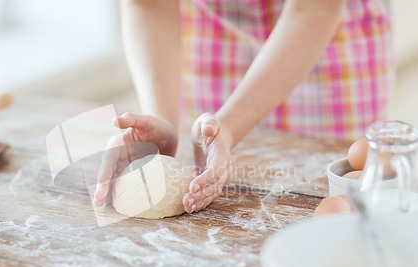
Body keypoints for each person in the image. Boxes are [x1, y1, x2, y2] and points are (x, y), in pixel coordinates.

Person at [93, 0, 392, 214]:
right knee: (213, 164)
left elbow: (314, 7)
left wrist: (230, 127)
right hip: (214, 46)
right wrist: (162, 119)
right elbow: (150, 4)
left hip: (327, 54)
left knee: (334, 194)